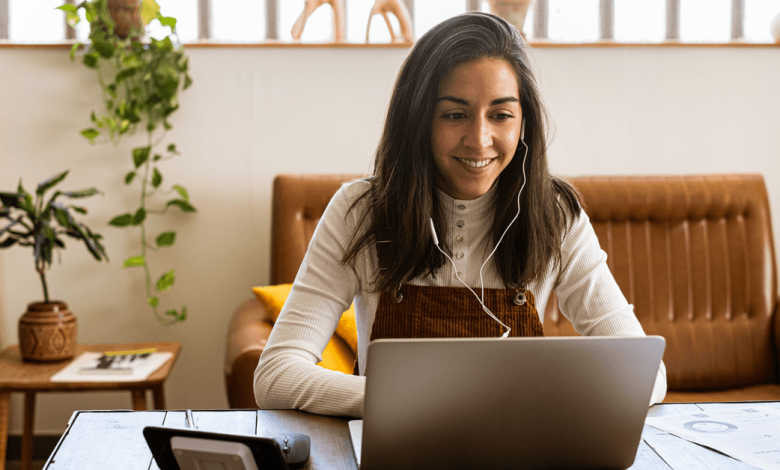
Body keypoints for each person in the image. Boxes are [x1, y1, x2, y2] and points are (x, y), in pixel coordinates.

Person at [254, 12, 667, 418]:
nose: (479, 139)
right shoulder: (359, 210)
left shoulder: (555, 215)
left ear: (524, 122)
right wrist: (418, 405)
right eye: (455, 114)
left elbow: (647, 375)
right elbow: (276, 374)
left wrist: (543, 403)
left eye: (501, 115)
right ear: (418, 119)